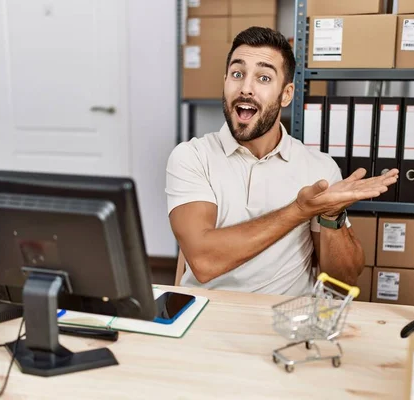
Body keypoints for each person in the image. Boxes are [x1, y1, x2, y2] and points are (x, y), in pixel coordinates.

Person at [166, 27, 398, 295]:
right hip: (206, 316)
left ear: (286, 94)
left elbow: (344, 282)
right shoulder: (192, 157)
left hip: (284, 322)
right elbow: (204, 261)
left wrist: (331, 216)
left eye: (263, 78)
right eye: (237, 74)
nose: (245, 88)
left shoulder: (319, 168)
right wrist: (300, 210)